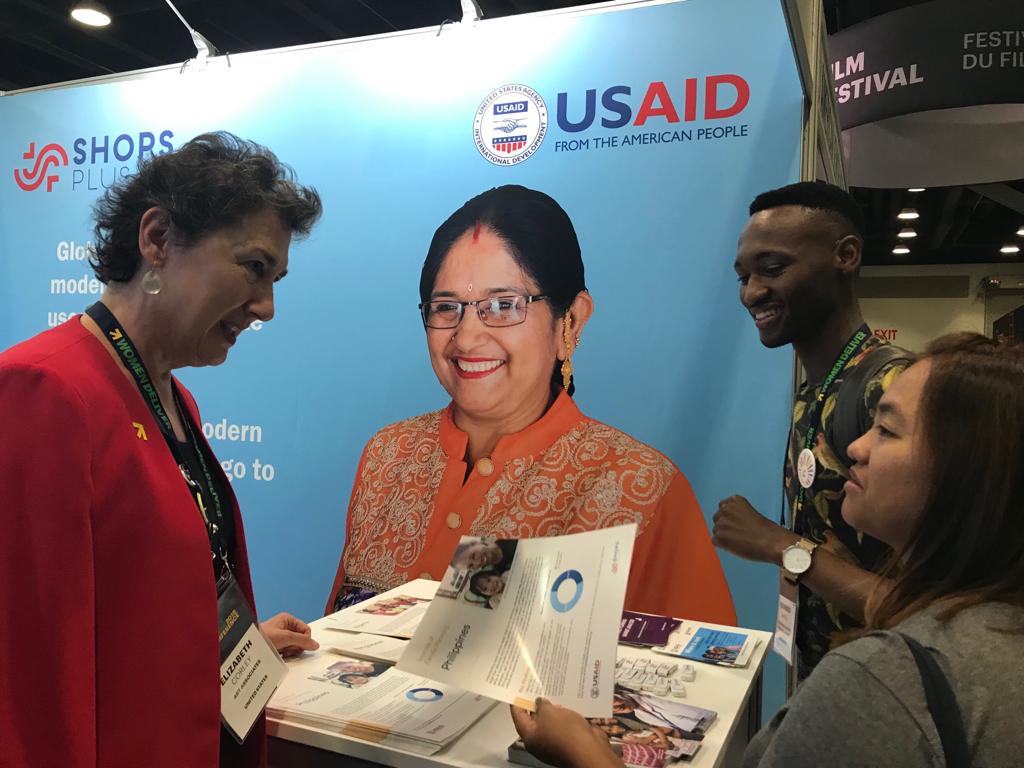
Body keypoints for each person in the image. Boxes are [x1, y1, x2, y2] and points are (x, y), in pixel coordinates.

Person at [512, 332, 1024, 767]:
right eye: (442, 307)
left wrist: (585, 753)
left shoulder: (884, 684)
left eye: (887, 429)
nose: (856, 449)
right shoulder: (986, 629)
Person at [0, 132, 323, 768]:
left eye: (276, 278)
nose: (267, 307)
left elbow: (137, 605)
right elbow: (30, 675)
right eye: (254, 267)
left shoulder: (173, 398)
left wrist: (231, 647)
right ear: (157, 241)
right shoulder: (45, 389)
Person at [327, 185, 735, 624]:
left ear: (571, 321)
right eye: (447, 308)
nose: (466, 337)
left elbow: (687, 682)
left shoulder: (638, 486)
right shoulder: (388, 454)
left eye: (503, 305)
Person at [713, 181, 912, 678]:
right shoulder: (813, 393)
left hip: (890, 692)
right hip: (824, 676)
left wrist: (780, 545)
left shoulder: (896, 391)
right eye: (743, 276)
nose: (752, 292)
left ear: (845, 256)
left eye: (773, 269)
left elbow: (933, 606)